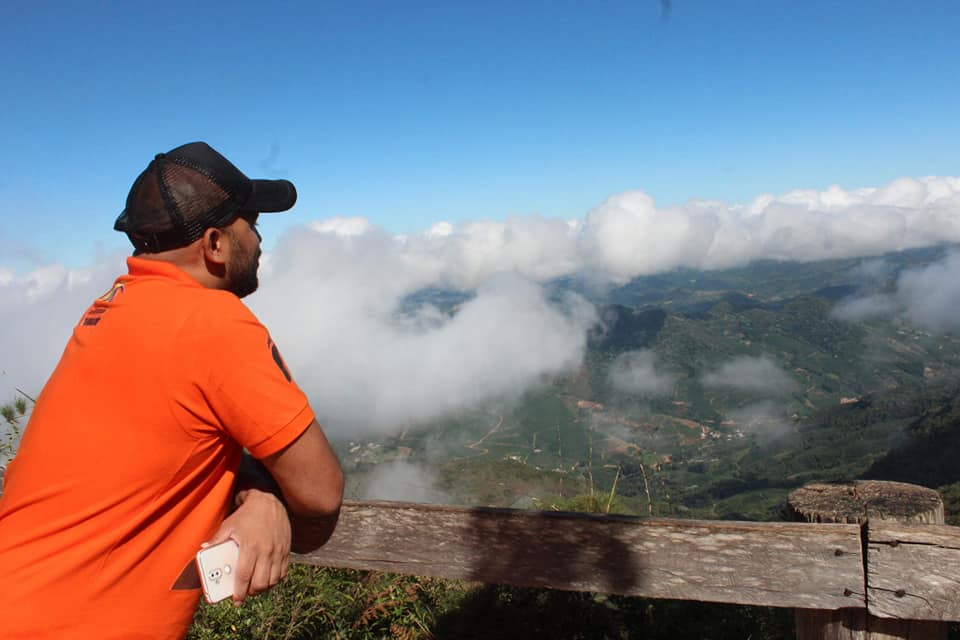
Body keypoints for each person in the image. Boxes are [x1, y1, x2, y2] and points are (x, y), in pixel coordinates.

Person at [0, 142, 345, 640]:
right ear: (215, 244)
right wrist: (273, 499)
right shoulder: (214, 322)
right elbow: (319, 493)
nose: (261, 240)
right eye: (252, 224)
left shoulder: (107, 312)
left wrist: (258, 492)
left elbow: (165, 444)